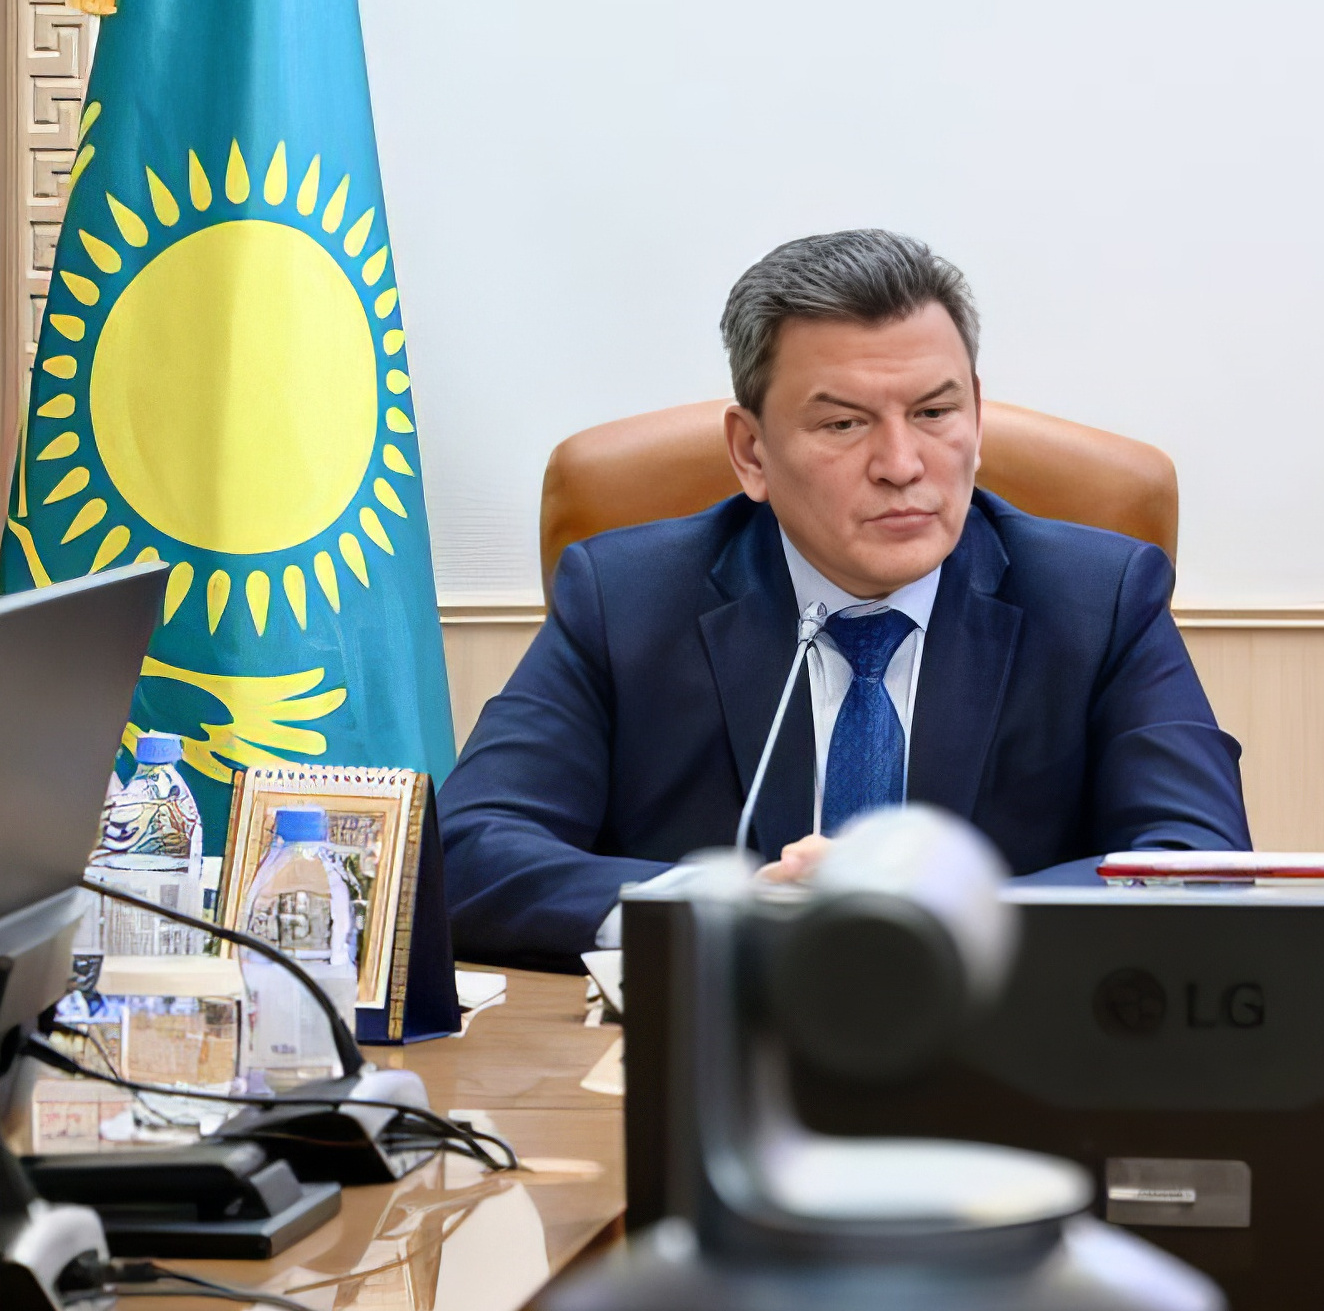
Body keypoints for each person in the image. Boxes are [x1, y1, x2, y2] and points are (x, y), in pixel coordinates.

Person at [442, 230, 1250, 969]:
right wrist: (716, 910)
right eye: (843, 425)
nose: (901, 464)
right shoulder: (625, 599)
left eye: (934, 413)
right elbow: (465, 851)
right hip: (709, 1044)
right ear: (750, 452)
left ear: (975, 415)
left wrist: (937, 910)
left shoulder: (1099, 599)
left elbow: (1199, 864)